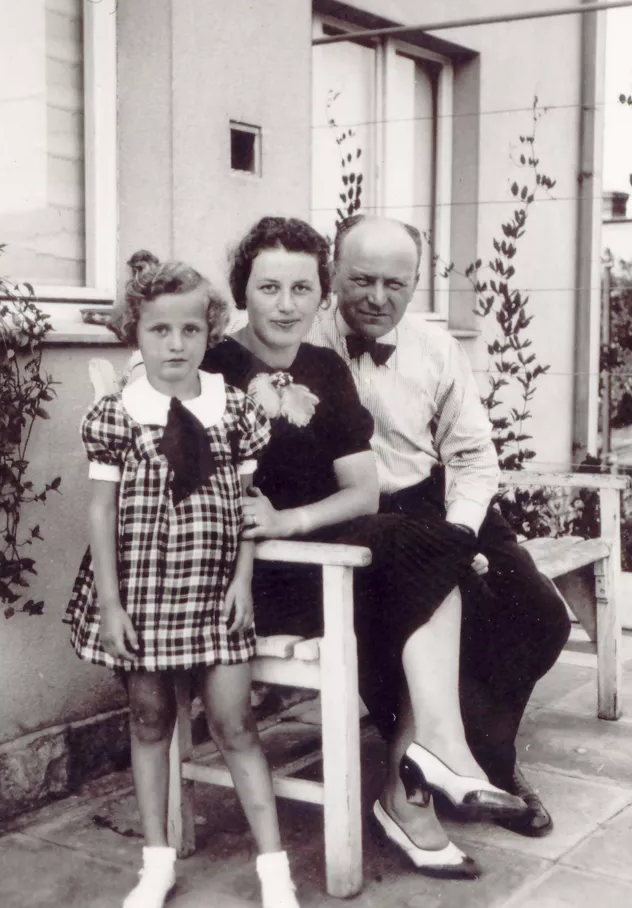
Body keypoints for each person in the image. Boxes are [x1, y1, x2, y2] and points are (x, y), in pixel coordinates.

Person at [203, 215, 528, 882]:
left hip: (316, 553)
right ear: (243, 291)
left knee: (439, 552)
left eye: (301, 288)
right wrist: (273, 530)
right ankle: (428, 774)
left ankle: (432, 760)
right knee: (439, 568)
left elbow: (362, 493)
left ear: (319, 295)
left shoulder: (325, 367)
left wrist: (289, 519)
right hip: (245, 580)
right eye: (269, 287)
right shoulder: (213, 367)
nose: (286, 304)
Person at [308, 213, 572, 845]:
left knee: (537, 611)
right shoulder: (297, 341)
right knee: (400, 624)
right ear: (332, 274)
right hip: (353, 517)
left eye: (396, 283)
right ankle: (452, 773)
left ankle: (482, 756)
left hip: (437, 503)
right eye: (361, 279)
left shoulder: (435, 348)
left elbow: (475, 457)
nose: (378, 298)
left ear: (418, 281)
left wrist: (458, 534)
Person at [65, 255, 300, 908]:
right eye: (159, 331)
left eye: (190, 331)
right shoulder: (118, 414)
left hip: (214, 591)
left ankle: (274, 871)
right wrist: (111, 604)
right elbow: (100, 510)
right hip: (140, 595)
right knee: (148, 719)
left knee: (235, 723)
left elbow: (247, 509)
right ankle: (157, 862)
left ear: (210, 332)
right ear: (135, 335)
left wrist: (243, 584)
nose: (175, 344)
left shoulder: (233, 411)